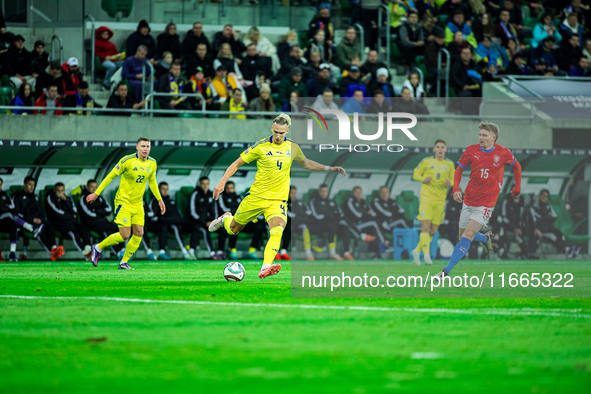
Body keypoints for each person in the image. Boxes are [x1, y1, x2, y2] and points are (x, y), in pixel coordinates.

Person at [208, 114, 347, 279]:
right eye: (276, 132)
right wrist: (222, 182)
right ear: (272, 129)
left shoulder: (293, 148)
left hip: (277, 201)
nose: (278, 136)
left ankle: (265, 266)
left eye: (281, 133)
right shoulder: (260, 146)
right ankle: (225, 218)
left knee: (277, 230)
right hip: (256, 197)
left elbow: (307, 163)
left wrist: (330, 169)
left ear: (287, 130)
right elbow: (237, 163)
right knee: (233, 230)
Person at [433, 122, 522, 282]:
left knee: (468, 234)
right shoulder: (471, 150)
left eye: (484, 135)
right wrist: (456, 189)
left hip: (486, 203)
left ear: (493, 138)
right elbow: (459, 169)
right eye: (480, 135)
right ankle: (485, 238)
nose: (481, 138)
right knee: (463, 237)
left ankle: (445, 272)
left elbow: (517, 167)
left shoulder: (503, 153)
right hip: (469, 200)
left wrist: (517, 188)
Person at [86, 137, 166, 270]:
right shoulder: (127, 161)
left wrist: (159, 199)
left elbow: (152, 181)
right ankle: (98, 247)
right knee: (125, 235)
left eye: (148, 146)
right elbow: (110, 176)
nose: (145, 149)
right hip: (123, 202)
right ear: (137, 147)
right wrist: (96, 193)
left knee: (139, 233)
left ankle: (124, 262)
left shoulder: (152, 163)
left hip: (138, 204)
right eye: (143, 146)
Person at [411, 140, 455, 265]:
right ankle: (426, 257)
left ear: (446, 149)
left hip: (440, 201)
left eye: (442, 147)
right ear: (434, 149)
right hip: (426, 199)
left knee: (433, 231)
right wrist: (423, 179)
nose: (440, 149)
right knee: (425, 228)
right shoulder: (426, 161)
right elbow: (415, 174)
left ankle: (416, 250)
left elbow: (454, 179)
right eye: (438, 147)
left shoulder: (450, 164)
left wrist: (450, 183)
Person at [12, 176, 65, 261]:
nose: (32, 187)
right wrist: (32, 220)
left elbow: (41, 211)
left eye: (33, 185)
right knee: (39, 232)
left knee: (50, 227)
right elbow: (16, 213)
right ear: (24, 184)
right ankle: (51, 253)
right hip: (26, 224)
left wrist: (41, 219)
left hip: (39, 222)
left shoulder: (35, 197)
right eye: (30, 184)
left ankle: (54, 247)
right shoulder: (17, 196)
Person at [147, 182, 198, 261]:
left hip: (176, 222)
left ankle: (192, 251)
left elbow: (178, 215)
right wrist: (166, 220)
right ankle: (184, 252)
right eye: (163, 189)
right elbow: (153, 217)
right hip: (165, 224)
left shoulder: (172, 201)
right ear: (158, 190)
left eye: (167, 189)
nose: (165, 191)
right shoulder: (155, 201)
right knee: (173, 227)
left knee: (195, 226)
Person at [45, 182, 92, 260]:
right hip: (59, 222)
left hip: (71, 221)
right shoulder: (50, 198)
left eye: (62, 191)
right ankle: (84, 253)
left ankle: (88, 248)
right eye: (58, 191)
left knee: (84, 229)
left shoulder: (68, 198)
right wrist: (70, 215)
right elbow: (57, 212)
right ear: (54, 190)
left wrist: (66, 201)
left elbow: (74, 211)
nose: (60, 193)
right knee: (74, 233)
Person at [79, 179, 125, 258]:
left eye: (95, 187)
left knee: (118, 229)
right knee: (107, 231)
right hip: (91, 223)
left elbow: (109, 209)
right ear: (87, 187)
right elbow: (89, 213)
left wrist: (97, 210)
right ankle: (118, 252)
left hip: (103, 221)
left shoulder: (99, 197)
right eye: (91, 187)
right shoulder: (84, 198)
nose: (94, 189)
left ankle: (123, 250)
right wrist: (101, 211)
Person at [341, 186, 384, 259]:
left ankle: (376, 252)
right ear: (352, 193)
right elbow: (357, 215)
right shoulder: (349, 201)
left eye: (360, 192)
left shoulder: (364, 202)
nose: (358, 194)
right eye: (356, 192)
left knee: (373, 227)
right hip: (353, 225)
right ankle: (383, 243)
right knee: (373, 223)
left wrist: (364, 214)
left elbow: (373, 214)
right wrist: (366, 213)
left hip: (362, 224)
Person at [528, 189, 571, 259]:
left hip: (549, 228)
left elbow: (554, 217)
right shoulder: (534, 206)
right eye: (543, 195)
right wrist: (547, 216)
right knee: (552, 236)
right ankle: (567, 250)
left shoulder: (548, 206)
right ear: (539, 195)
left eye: (546, 196)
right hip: (540, 230)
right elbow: (534, 219)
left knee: (560, 234)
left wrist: (544, 216)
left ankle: (567, 249)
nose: (544, 197)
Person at [308, 184, 346, 260]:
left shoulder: (331, 201)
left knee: (344, 225)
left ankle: (347, 251)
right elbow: (316, 216)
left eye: (326, 191)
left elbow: (340, 213)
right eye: (322, 191)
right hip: (319, 225)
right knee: (332, 227)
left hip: (333, 223)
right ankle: (331, 253)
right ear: (319, 191)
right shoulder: (314, 201)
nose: (324, 193)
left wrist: (333, 216)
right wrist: (328, 215)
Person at [189, 177, 221, 260]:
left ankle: (221, 251)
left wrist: (214, 222)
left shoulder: (211, 195)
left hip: (209, 222)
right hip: (197, 222)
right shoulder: (195, 194)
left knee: (224, 229)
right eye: (203, 184)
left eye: (207, 184)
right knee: (203, 229)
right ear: (200, 184)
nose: (205, 186)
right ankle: (209, 252)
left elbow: (214, 210)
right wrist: (204, 222)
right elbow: (193, 212)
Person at [216, 181, 242, 260]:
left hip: (236, 219)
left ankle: (232, 249)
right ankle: (220, 251)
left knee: (236, 227)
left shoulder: (238, 197)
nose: (230, 190)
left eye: (232, 188)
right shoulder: (221, 196)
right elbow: (225, 210)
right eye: (228, 188)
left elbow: (243, 208)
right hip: (223, 220)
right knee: (224, 229)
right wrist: (235, 210)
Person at [497, 192, 528, 259]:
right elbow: (503, 217)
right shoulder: (506, 202)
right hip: (507, 226)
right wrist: (514, 228)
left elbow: (523, 218)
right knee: (500, 230)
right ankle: (501, 251)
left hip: (518, 228)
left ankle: (526, 254)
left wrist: (519, 228)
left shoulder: (522, 203)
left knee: (522, 235)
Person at [95, 26, 124, 90]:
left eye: (107, 34)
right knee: (112, 66)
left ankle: (116, 82)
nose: (105, 35)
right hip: (104, 61)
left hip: (114, 60)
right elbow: (96, 53)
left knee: (125, 64)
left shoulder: (111, 44)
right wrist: (105, 56)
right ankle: (106, 83)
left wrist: (119, 57)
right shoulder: (97, 43)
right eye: (104, 34)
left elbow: (116, 53)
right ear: (100, 35)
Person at [0, 177, 19, 261]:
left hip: (3, 220)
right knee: (10, 215)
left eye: (0, 184)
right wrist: (4, 207)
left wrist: (3, 208)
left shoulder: (4, 195)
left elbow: (12, 207)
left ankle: (12, 253)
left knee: (12, 222)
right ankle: (28, 226)